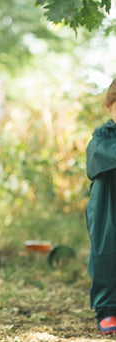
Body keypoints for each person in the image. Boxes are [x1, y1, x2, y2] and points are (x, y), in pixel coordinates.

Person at [85, 78, 116, 335]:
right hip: (109, 209)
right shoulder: (102, 138)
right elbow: (101, 157)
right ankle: (107, 309)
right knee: (106, 254)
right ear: (109, 106)